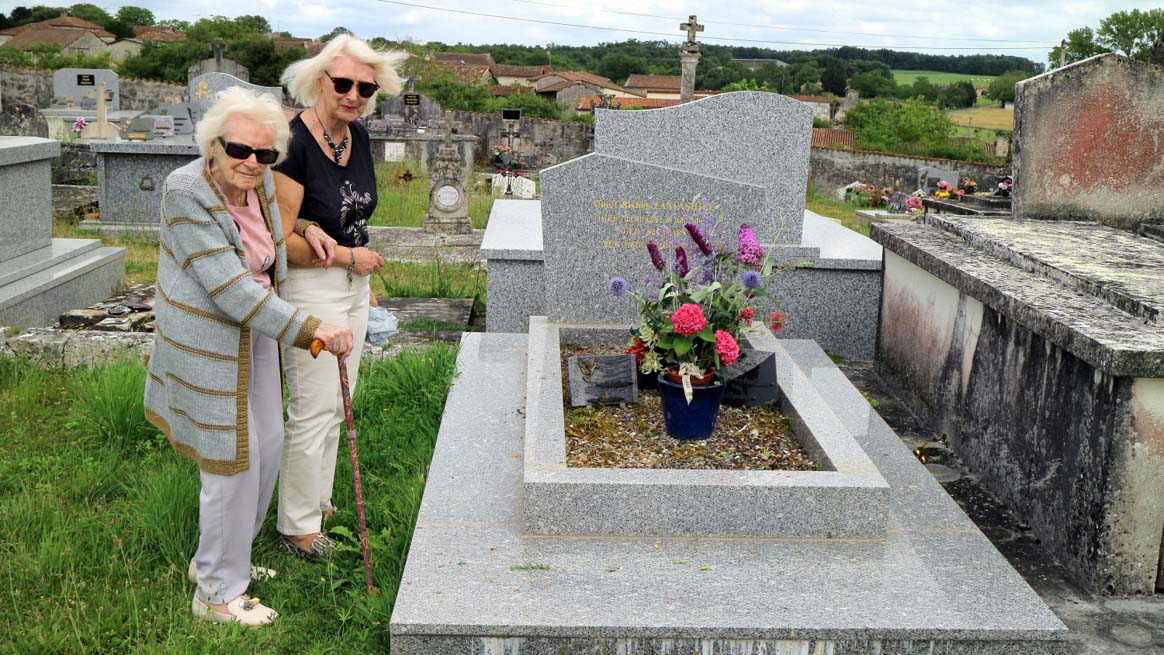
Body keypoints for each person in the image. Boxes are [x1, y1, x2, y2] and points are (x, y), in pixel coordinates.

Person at [143, 86, 354, 626]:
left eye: (264, 155)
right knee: (231, 463)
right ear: (213, 145)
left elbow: (269, 244)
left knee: (269, 445)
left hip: (256, 332)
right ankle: (215, 594)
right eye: (239, 150)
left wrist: (307, 226)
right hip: (209, 344)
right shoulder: (186, 190)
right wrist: (312, 328)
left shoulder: (253, 186)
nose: (252, 164)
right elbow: (232, 291)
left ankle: (224, 559)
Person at [273, 35, 405, 559]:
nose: (354, 95)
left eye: (366, 87)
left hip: (351, 283)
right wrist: (350, 260)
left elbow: (350, 220)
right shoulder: (294, 143)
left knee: (337, 405)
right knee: (312, 406)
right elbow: (280, 243)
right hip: (310, 287)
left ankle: (317, 502)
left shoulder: (358, 137)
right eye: (343, 83)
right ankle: (296, 531)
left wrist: (360, 280)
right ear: (318, 80)